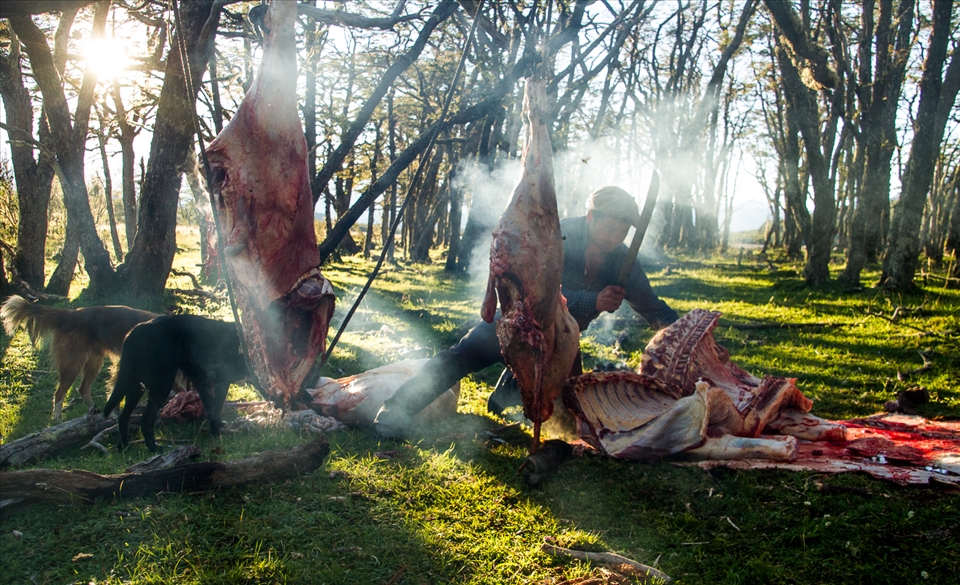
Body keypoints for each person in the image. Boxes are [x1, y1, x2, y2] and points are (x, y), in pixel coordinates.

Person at [374, 185, 678, 439]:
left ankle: (511, 391)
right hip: (517, 322)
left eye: (622, 232)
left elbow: (650, 305)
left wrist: (682, 333)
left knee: (573, 405)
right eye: (609, 229)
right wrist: (592, 301)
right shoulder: (556, 237)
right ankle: (396, 408)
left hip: (561, 341)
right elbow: (535, 291)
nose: (614, 238)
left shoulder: (623, 261)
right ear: (590, 217)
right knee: (461, 356)